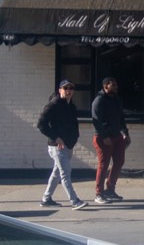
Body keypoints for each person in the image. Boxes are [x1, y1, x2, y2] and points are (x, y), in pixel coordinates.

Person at [36, 80, 89, 210]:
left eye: (71, 88)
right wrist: (56, 138)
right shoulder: (53, 105)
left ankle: (46, 199)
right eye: (65, 88)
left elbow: (73, 124)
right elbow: (41, 124)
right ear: (60, 90)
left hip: (68, 144)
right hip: (57, 146)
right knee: (65, 173)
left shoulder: (71, 106)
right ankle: (75, 201)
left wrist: (74, 138)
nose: (68, 90)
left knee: (57, 173)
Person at [91, 76, 131, 204]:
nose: (115, 87)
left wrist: (125, 133)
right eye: (112, 84)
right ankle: (99, 193)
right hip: (103, 137)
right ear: (105, 86)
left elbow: (121, 117)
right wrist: (104, 136)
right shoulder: (99, 100)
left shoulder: (116, 100)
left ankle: (110, 190)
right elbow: (96, 121)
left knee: (119, 161)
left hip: (117, 136)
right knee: (104, 165)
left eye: (116, 84)